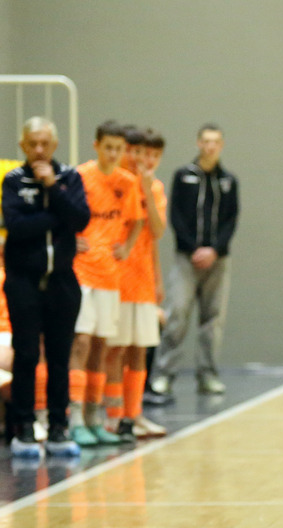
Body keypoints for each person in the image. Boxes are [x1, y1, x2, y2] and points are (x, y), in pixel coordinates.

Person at [1, 117, 92, 457]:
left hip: (61, 281)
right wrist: (57, 217)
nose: (39, 150)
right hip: (23, 279)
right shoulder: (14, 180)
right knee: (26, 353)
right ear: (23, 145)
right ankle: (24, 427)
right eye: (32, 144)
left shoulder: (70, 177)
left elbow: (81, 219)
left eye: (45, 143)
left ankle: (58, 426)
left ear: (54, 145)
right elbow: (16, 226)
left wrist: (53, 188)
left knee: (59, 355)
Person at [148, 124, 239, 400]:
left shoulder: (228, 180)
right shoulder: (183, 176)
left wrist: (214, 250)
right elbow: (175, 216)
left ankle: (208, 375)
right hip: (186, 259)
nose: (210, 146)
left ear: (221, 145)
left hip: (218, 261)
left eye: (215, 142)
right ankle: (163, 375)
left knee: (212, 320)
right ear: (198, 143)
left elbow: (230, 220)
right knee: (176, 315)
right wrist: (193, 248)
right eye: (206, 141)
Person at [68, 120, 145, 447]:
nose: (113, 153)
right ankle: (73, 419)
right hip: (82, 271)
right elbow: (62, 213)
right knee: (81, 342)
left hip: (110, 275)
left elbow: (137, 220)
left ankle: (94, 418)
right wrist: (69, 240)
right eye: (108, 147)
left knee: (101, 346)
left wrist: (126, 247)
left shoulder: (127, 182)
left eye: (118, 148)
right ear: (96, 146)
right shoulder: (80, 177)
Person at [104, 127, 167, 440]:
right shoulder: (114, 182)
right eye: (137, 151)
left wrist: (158, 279)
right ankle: (114, 417)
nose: (143, 159)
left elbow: (156, 232)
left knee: (139, 350)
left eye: (150, 154)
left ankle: (135, 414)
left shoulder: (154, 187)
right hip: (115, 277)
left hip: (142, 280)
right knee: (115, 350)